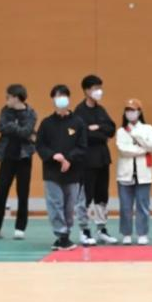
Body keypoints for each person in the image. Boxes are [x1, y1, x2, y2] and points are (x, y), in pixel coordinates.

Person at [36, 85, 87, 251]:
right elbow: (40, 145)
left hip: (73, 172)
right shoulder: (46, 123)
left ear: (68, 98)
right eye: (57, 96)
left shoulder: (78, 122)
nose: (61, 99)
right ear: (53, 100)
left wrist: (69, 159)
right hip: (52, 172)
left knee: (69, 205)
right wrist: (53, 155)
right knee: (55, 203)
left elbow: (82, 146)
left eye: (64, 95)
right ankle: (61, 234)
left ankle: (65, 235)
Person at [0, 84, 37, 241]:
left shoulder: (31, 113)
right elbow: (1, 128)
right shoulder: (5, 110)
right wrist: (20, 129)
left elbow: (26, 132)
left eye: (8, 97)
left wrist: (13, 126)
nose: (6, 99)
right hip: (7, 156)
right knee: (0, 192)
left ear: (16, 97)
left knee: (23, 193)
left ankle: (20, 229)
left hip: (24, 157)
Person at [74, 75, 118, 246]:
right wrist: (100, 134)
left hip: (102, 159)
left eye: (100, 88)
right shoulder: (79, 111)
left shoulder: (101, 110)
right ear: (86, 90)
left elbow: (111, 129)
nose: (99, 91)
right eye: (95, 88)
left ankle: (101, 229)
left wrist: (98, 127)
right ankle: (84, 230)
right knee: (85, 197)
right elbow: (83, 134)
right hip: (86, 160)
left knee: (102, 195)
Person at [116, 99, 152, 245]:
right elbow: (123, 150)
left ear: (139, 112)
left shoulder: (148, 129)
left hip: (144, 174)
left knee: (143, 206)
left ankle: (142, 233)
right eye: (128, 110)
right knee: (125, 206)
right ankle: (126, 233)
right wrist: (142, 150)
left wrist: (138, 137)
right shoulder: (121, 131)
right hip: (125, 174)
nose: (130, 113)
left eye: (133, 110)